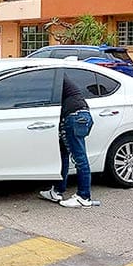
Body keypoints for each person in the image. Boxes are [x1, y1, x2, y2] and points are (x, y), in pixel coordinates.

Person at [40, 75, 95, 208]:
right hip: (79, 116)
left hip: (73, 117)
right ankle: (57, 190)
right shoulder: (57, 75)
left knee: (79, 158)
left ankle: (83, 197)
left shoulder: (51, 74)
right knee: (64, 154)